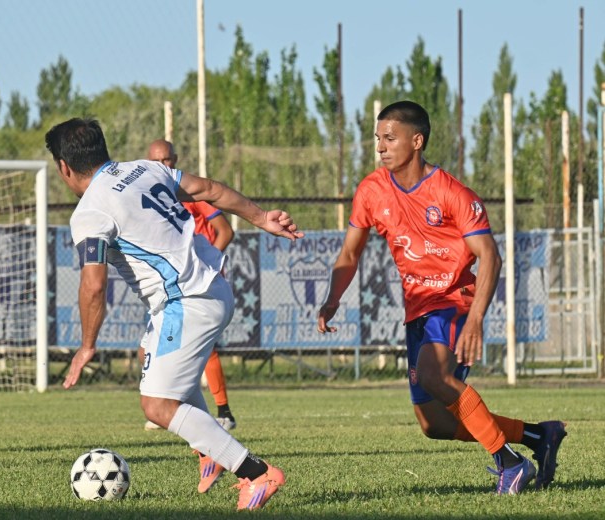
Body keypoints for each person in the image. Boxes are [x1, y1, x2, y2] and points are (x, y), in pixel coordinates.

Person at [47, 118, 299, 511]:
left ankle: (255, 472)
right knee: (154, 358)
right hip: (211, 285)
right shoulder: (145, 169)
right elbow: (211, 189)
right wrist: (261, 217)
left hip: (187, 300)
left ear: (64, 166)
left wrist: (86, 346)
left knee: (158, 405)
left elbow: (93, 284)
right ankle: (210, 450)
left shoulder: (90, 212)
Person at [317, 100, 566, 495]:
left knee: (436, 376)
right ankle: (539, 436)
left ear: (416, 141)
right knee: (436, 425)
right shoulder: (371, 190)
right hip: (416, 308)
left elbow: (490, 256)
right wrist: (332, 299)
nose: (380, 146)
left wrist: (476, 319)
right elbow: (350, 253)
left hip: (454, 301)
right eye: (378, 138)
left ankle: (509, 463)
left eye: (390, 138)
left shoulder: (452, 193)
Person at [145, 138, 237, 431]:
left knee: (205, 349)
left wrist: (208, 264)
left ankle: (223, 411)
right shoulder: (148, 197)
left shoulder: (189, 193)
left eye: (168, 160)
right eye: (157, 162)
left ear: (176, 158)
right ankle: (167, 406)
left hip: (200, 282)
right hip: (172, 284)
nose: (164, 166)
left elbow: (225, 231)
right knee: (150, 343)